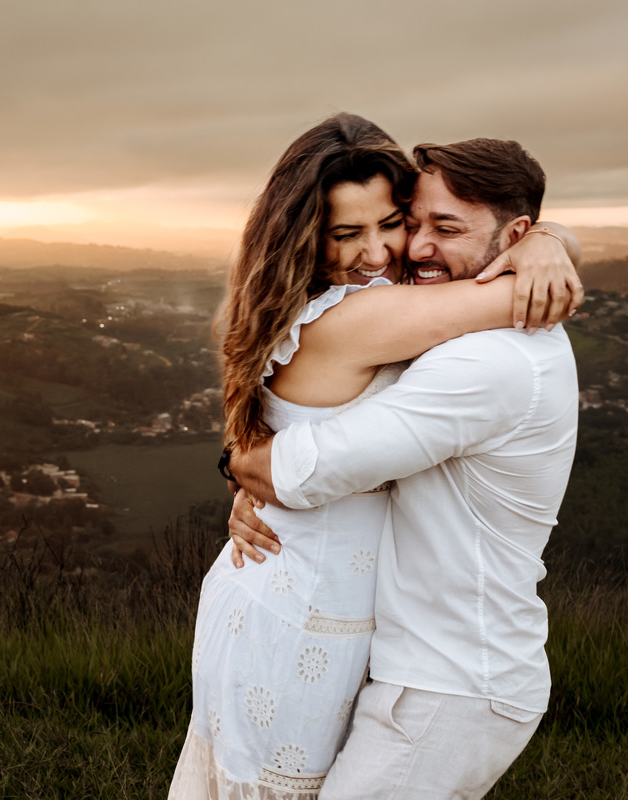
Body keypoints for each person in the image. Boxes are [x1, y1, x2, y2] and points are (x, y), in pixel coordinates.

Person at [168, 114, 580, 799]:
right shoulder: (359, 317)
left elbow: (278, 451)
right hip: (298, 607)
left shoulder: (348, 308)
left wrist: (547, 237)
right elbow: (519, 293)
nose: (385, 250)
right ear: (304, 235)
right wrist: (545, 246)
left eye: (394, 222)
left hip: (341, 616)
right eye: (345, 233)